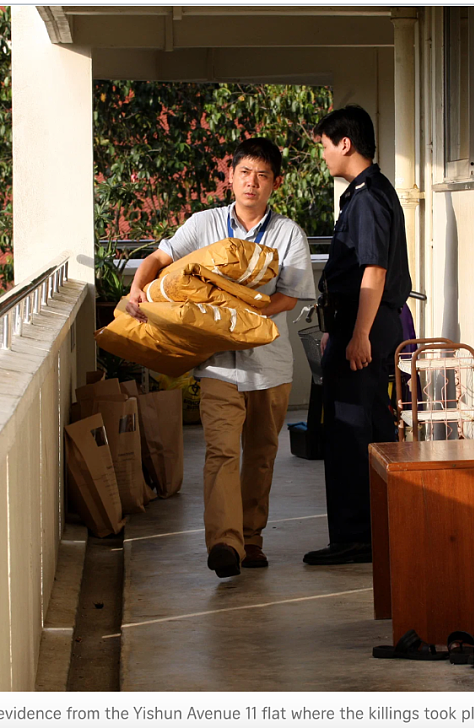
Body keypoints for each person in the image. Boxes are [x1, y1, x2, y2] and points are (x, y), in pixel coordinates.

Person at [127, 137, 317, 578]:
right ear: (229, 177)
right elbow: (159, 257)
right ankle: (225, 544)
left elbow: (288, 297)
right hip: (216, 365)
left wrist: (240, 315)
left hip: (270, 366)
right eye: (245, 172)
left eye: (263, 175)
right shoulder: (205, 223)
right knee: (220, 453)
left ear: (276, 183)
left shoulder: (288, 233)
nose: (252, 183)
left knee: (262, 455)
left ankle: (252, 539)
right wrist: (139, 288)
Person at [303, 105, 412, 566]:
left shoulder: (367, 197)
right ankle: (368, 532)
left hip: (366, 323)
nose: (324, 155)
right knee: (365, 427)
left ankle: (355, 536)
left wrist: (360, 333)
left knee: (352, 431)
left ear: (345, 144)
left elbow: (374, 269)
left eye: (326, 146)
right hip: (357, 322)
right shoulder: (368, 192)